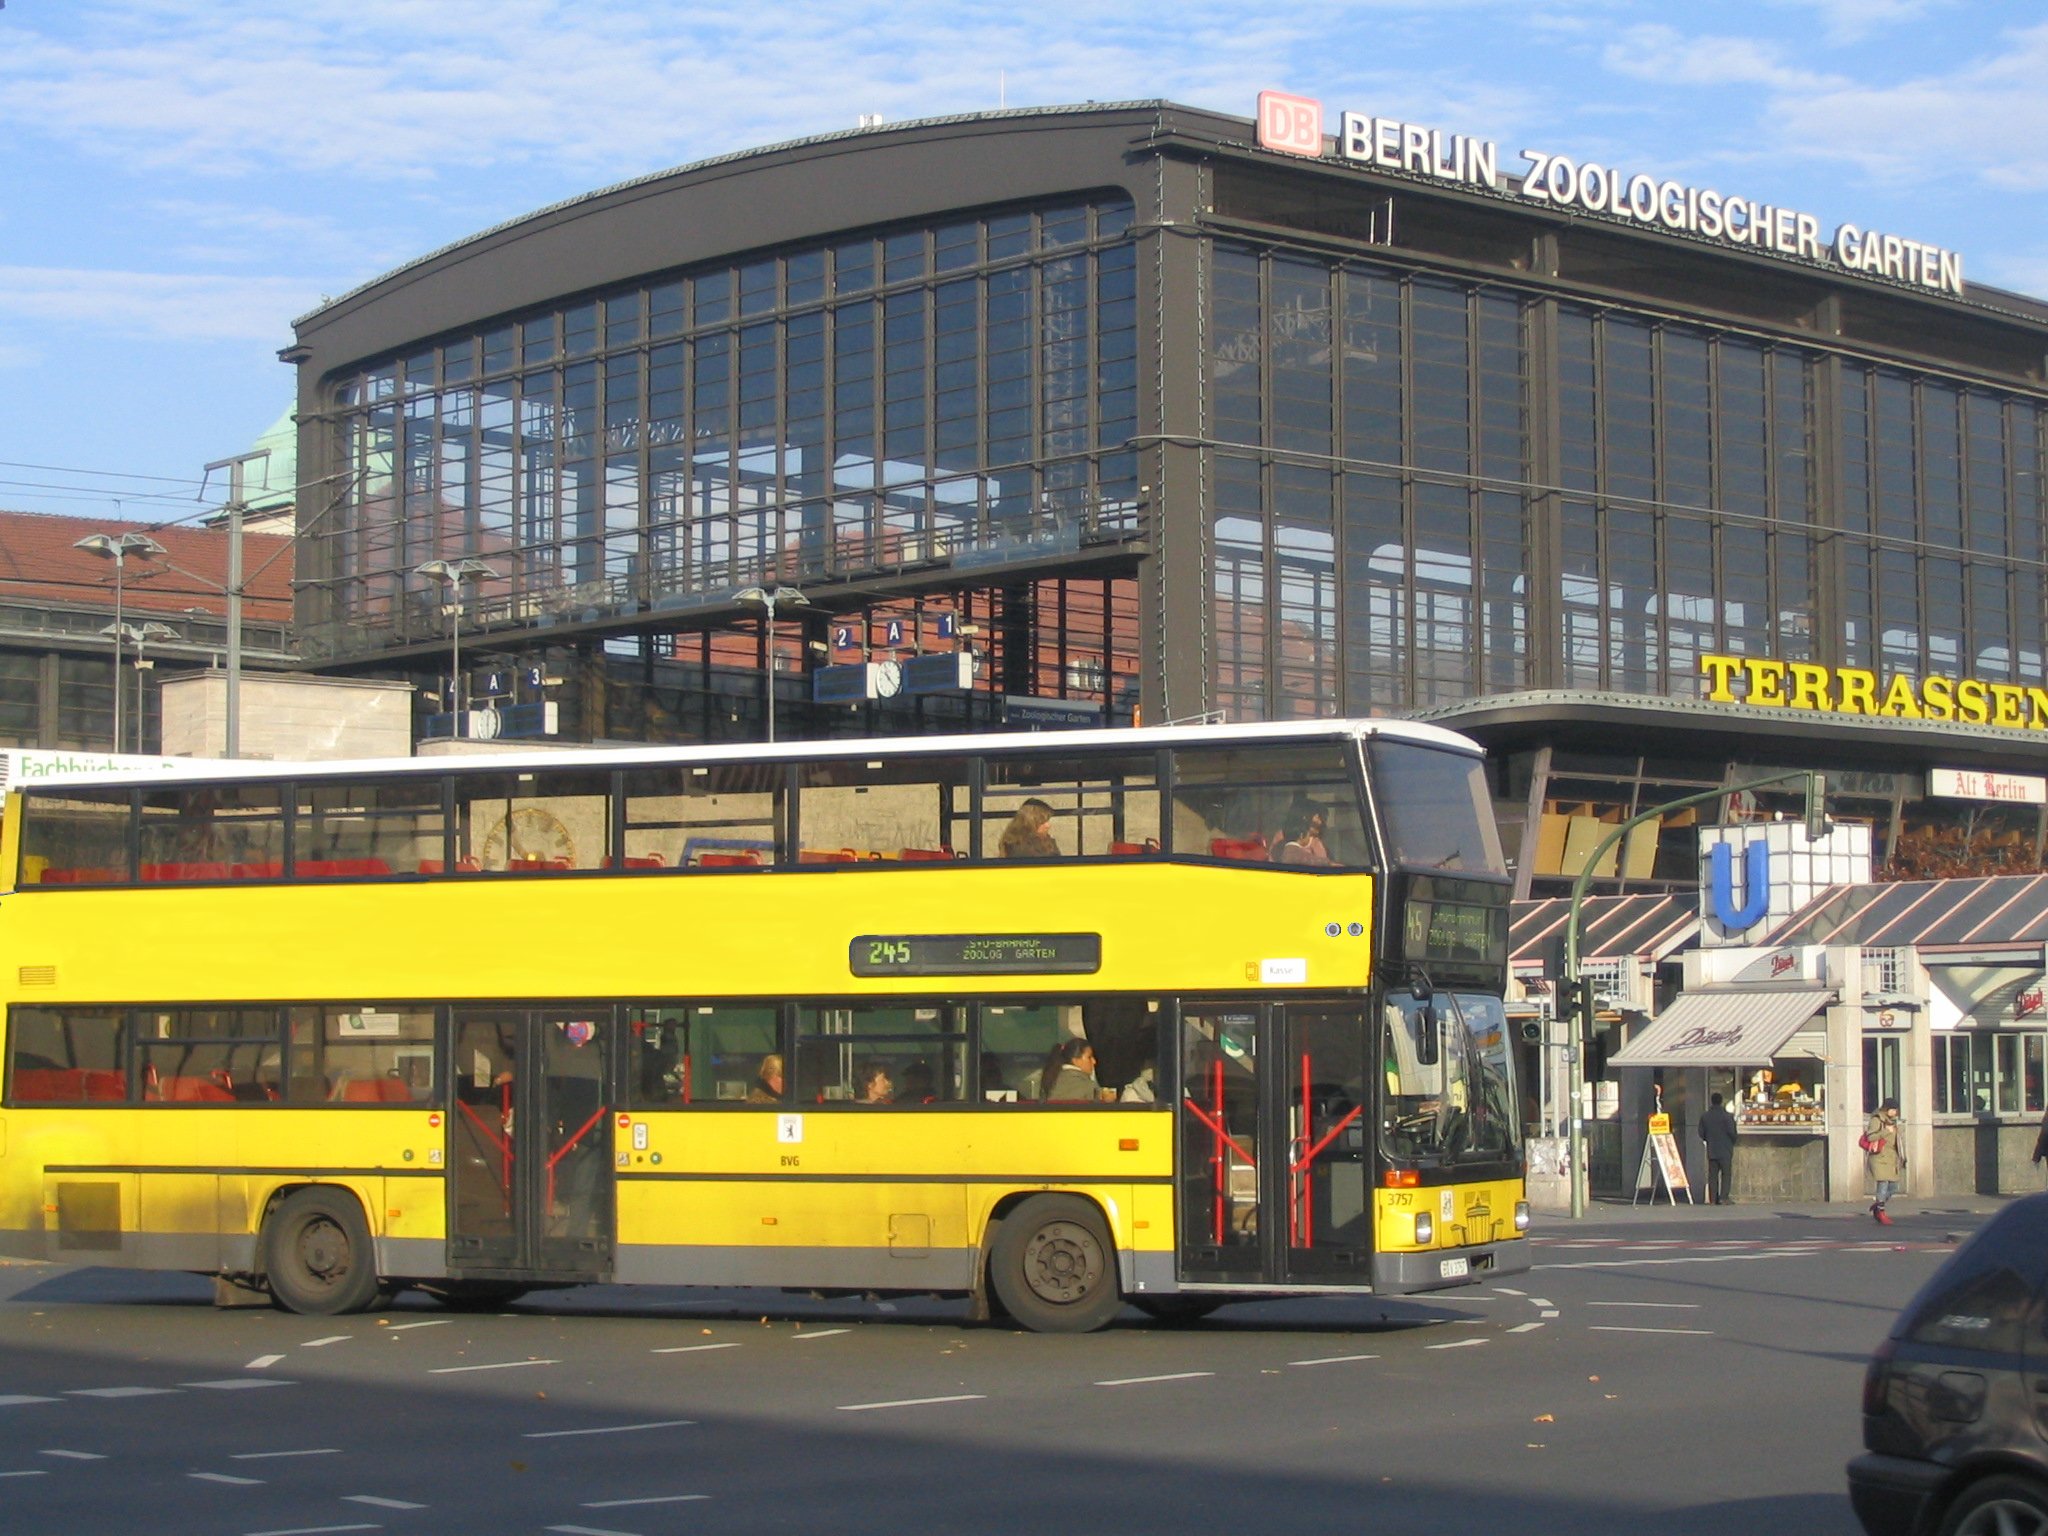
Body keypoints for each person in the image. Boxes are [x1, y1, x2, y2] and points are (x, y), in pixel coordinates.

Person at [1864, 1097, 1905, 1224]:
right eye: (1892, 1110)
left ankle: (1878, 1205)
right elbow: (1871, 1137)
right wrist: (1886, 1131)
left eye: (1896, 1110)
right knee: (1883, 1184)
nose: (1895, 1112)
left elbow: (1897, 1142)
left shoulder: (1893, 1122)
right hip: (1879, 1157)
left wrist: (1902, 1156)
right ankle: (1881, 1212)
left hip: (1891, 1158)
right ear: (1886, 1109)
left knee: (1894, 1186)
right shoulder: (1877, 1120)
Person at [1699, 1091, 1739, 1205]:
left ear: (1711, 1101)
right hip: (1725, 1149)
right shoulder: (1727, 1117)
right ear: (1721, 1102)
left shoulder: (1705, 1116)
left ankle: (1713, 1198)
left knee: (1712, 1175)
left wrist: (1708, 1139)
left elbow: (1701, 1133)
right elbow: (1733, 1133)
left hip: (1712, 1149)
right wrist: (1731, 1142)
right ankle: (1724, 1197)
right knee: (1726, 1174)